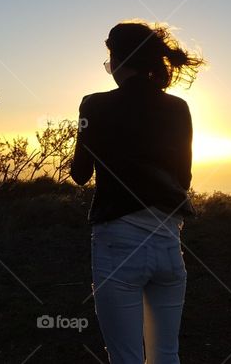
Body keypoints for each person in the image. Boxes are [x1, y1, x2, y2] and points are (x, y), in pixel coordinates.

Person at [71, 20, 204, 363]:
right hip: (168, 246)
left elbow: (80, 174)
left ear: (117, 61)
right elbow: (184, 179)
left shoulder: (93, 105)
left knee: (126, 358)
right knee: (166, 355)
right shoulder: (179, 108)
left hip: (118, 246)